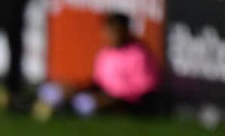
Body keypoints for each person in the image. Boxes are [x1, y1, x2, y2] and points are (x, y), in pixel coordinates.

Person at [33, 12, 161, 120]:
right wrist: (77, 87)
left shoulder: (139, 54)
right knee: (58, 89)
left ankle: (65, 109)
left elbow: (146, 87)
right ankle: (56, 104)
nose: (109, 36)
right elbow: (99, 81)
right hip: (102, 95)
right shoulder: (105, 53)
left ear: (125, 32)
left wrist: (114, 96)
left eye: (114, 32)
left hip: (126, 101)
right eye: (108, 31)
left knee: (90, 104)